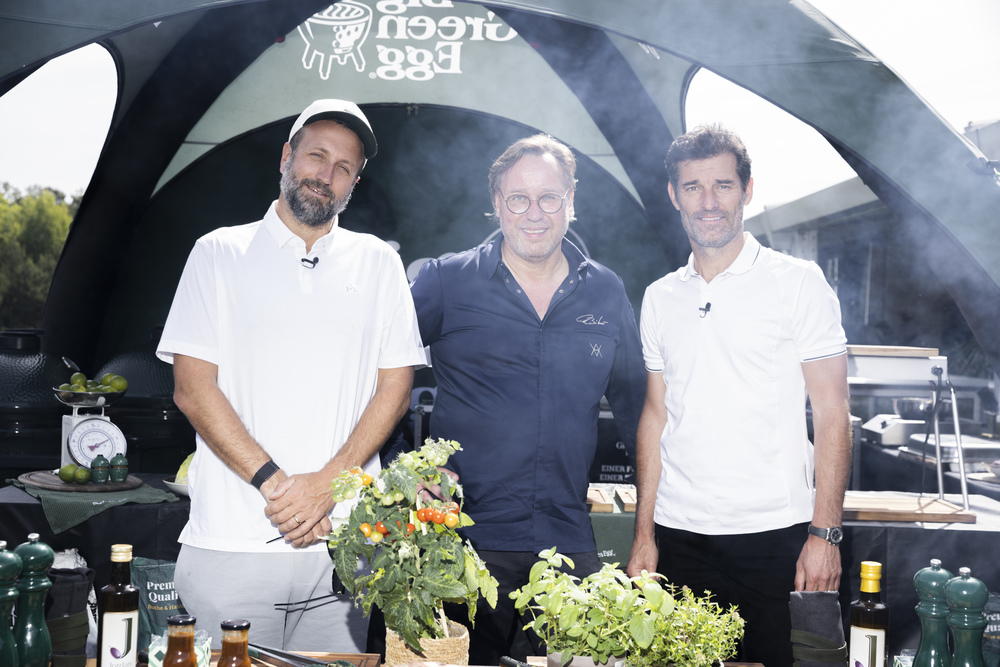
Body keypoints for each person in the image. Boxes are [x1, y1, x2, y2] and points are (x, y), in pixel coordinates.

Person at [156, 99, 427, 651]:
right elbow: (192, 389)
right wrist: (283, 490)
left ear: (355, 183)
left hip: (344, 546)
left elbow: (396, 388)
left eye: (344, 167)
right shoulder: (218, 253)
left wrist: (327, 487)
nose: (326, 175)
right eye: (316, 156)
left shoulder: (379, 262)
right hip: (231, 544)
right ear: (286, 157)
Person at [409, 134, 646, 664]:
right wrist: (409, 467)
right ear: (497, 202)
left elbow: (640, 414)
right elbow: (381, 374)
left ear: (571, 200)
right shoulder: (447, 281)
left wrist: (649, 525)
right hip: (462, 540)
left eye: (549, 197)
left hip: (566, 542)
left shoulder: (606, 291)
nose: (534, 213)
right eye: (518, 198)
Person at [626, 125, 852, 667]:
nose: (708, 202)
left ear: (747, 190)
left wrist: (825, 535)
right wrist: (644, 534)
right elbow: (656, 417)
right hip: (679, 538)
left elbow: (833, 413)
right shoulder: (659, 297)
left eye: (723, 185)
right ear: (674, 195)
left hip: (775, 536)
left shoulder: (798, 282)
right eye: (693, 187)